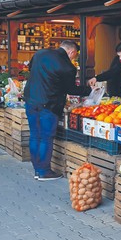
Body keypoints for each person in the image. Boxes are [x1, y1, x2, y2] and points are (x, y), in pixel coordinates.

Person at [24, 40, 92, 181]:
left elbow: (32, 69)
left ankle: (37, 169)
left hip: (31, 101)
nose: (73, 58)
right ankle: (44, 172)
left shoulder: (40, 53)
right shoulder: (68, 67)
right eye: (74, 55)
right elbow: (71, 89)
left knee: (35, 135)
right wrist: (89, 90)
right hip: (49, 104)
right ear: (72, 52)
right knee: (46, 138)